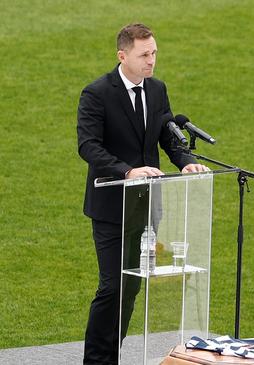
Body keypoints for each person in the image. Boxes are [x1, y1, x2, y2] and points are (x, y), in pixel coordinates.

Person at [77, 23, 208, 364]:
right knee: (112, 287)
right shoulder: (97, 94)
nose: (151, 61)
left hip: (148, 205)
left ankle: (111, 356)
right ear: (122, 55)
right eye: (144, 55)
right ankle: (97, 361)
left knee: (132, 286)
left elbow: (168, 135)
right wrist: (128, 171)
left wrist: (186, 162)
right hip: (111, 206)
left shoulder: (157, 89)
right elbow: (88, 146)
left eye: (154, 53)